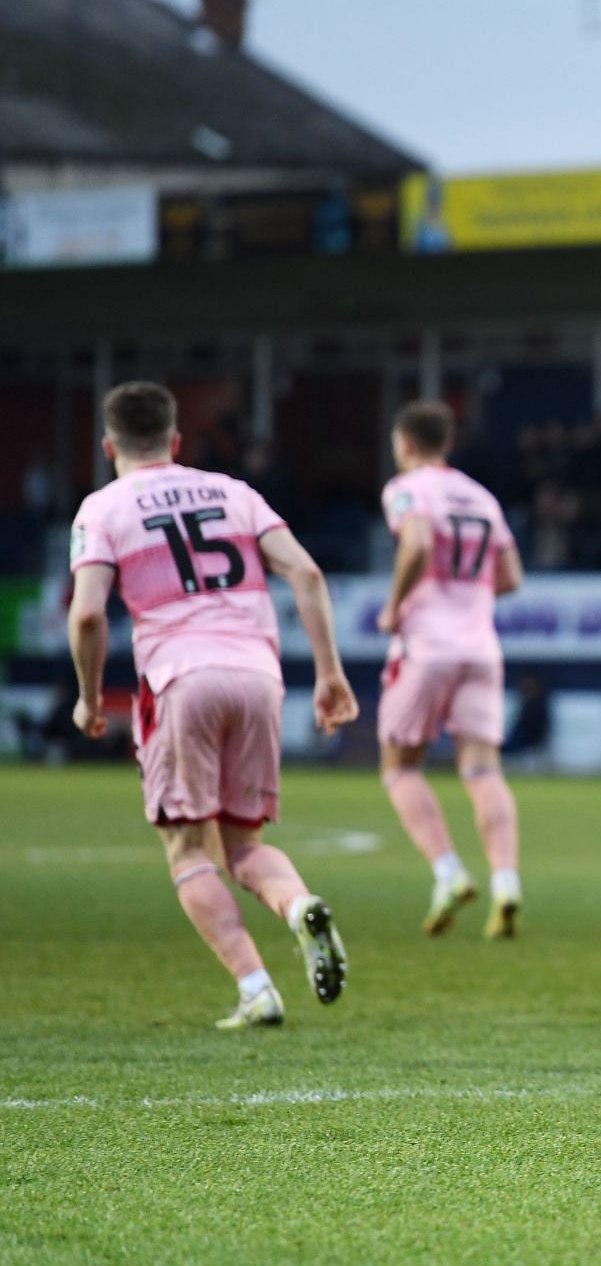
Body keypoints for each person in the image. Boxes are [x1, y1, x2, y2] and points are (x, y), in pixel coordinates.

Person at [67, 381, 355, 1028]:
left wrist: (89, 698)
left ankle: (256, 988)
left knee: (189, 849)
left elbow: (87, 613)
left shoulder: (102, 508)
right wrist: (331, 672)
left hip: (180, 679)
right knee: (243, 843)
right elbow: (306, 574)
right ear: (175, 441)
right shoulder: (234, 492)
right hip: (258, 674)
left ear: (109, 445)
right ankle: (299, 904)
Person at [376, 401, 527, 939]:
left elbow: (415, 542)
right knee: (483, 771)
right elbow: (510, 577)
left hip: (427, 645)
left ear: (406, 444)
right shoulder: (480, 496)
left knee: (400, 767)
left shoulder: (407, 487)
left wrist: (396, 606)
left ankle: (448, 872)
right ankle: (507, 882)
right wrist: (467, 595)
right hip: (481, 646)